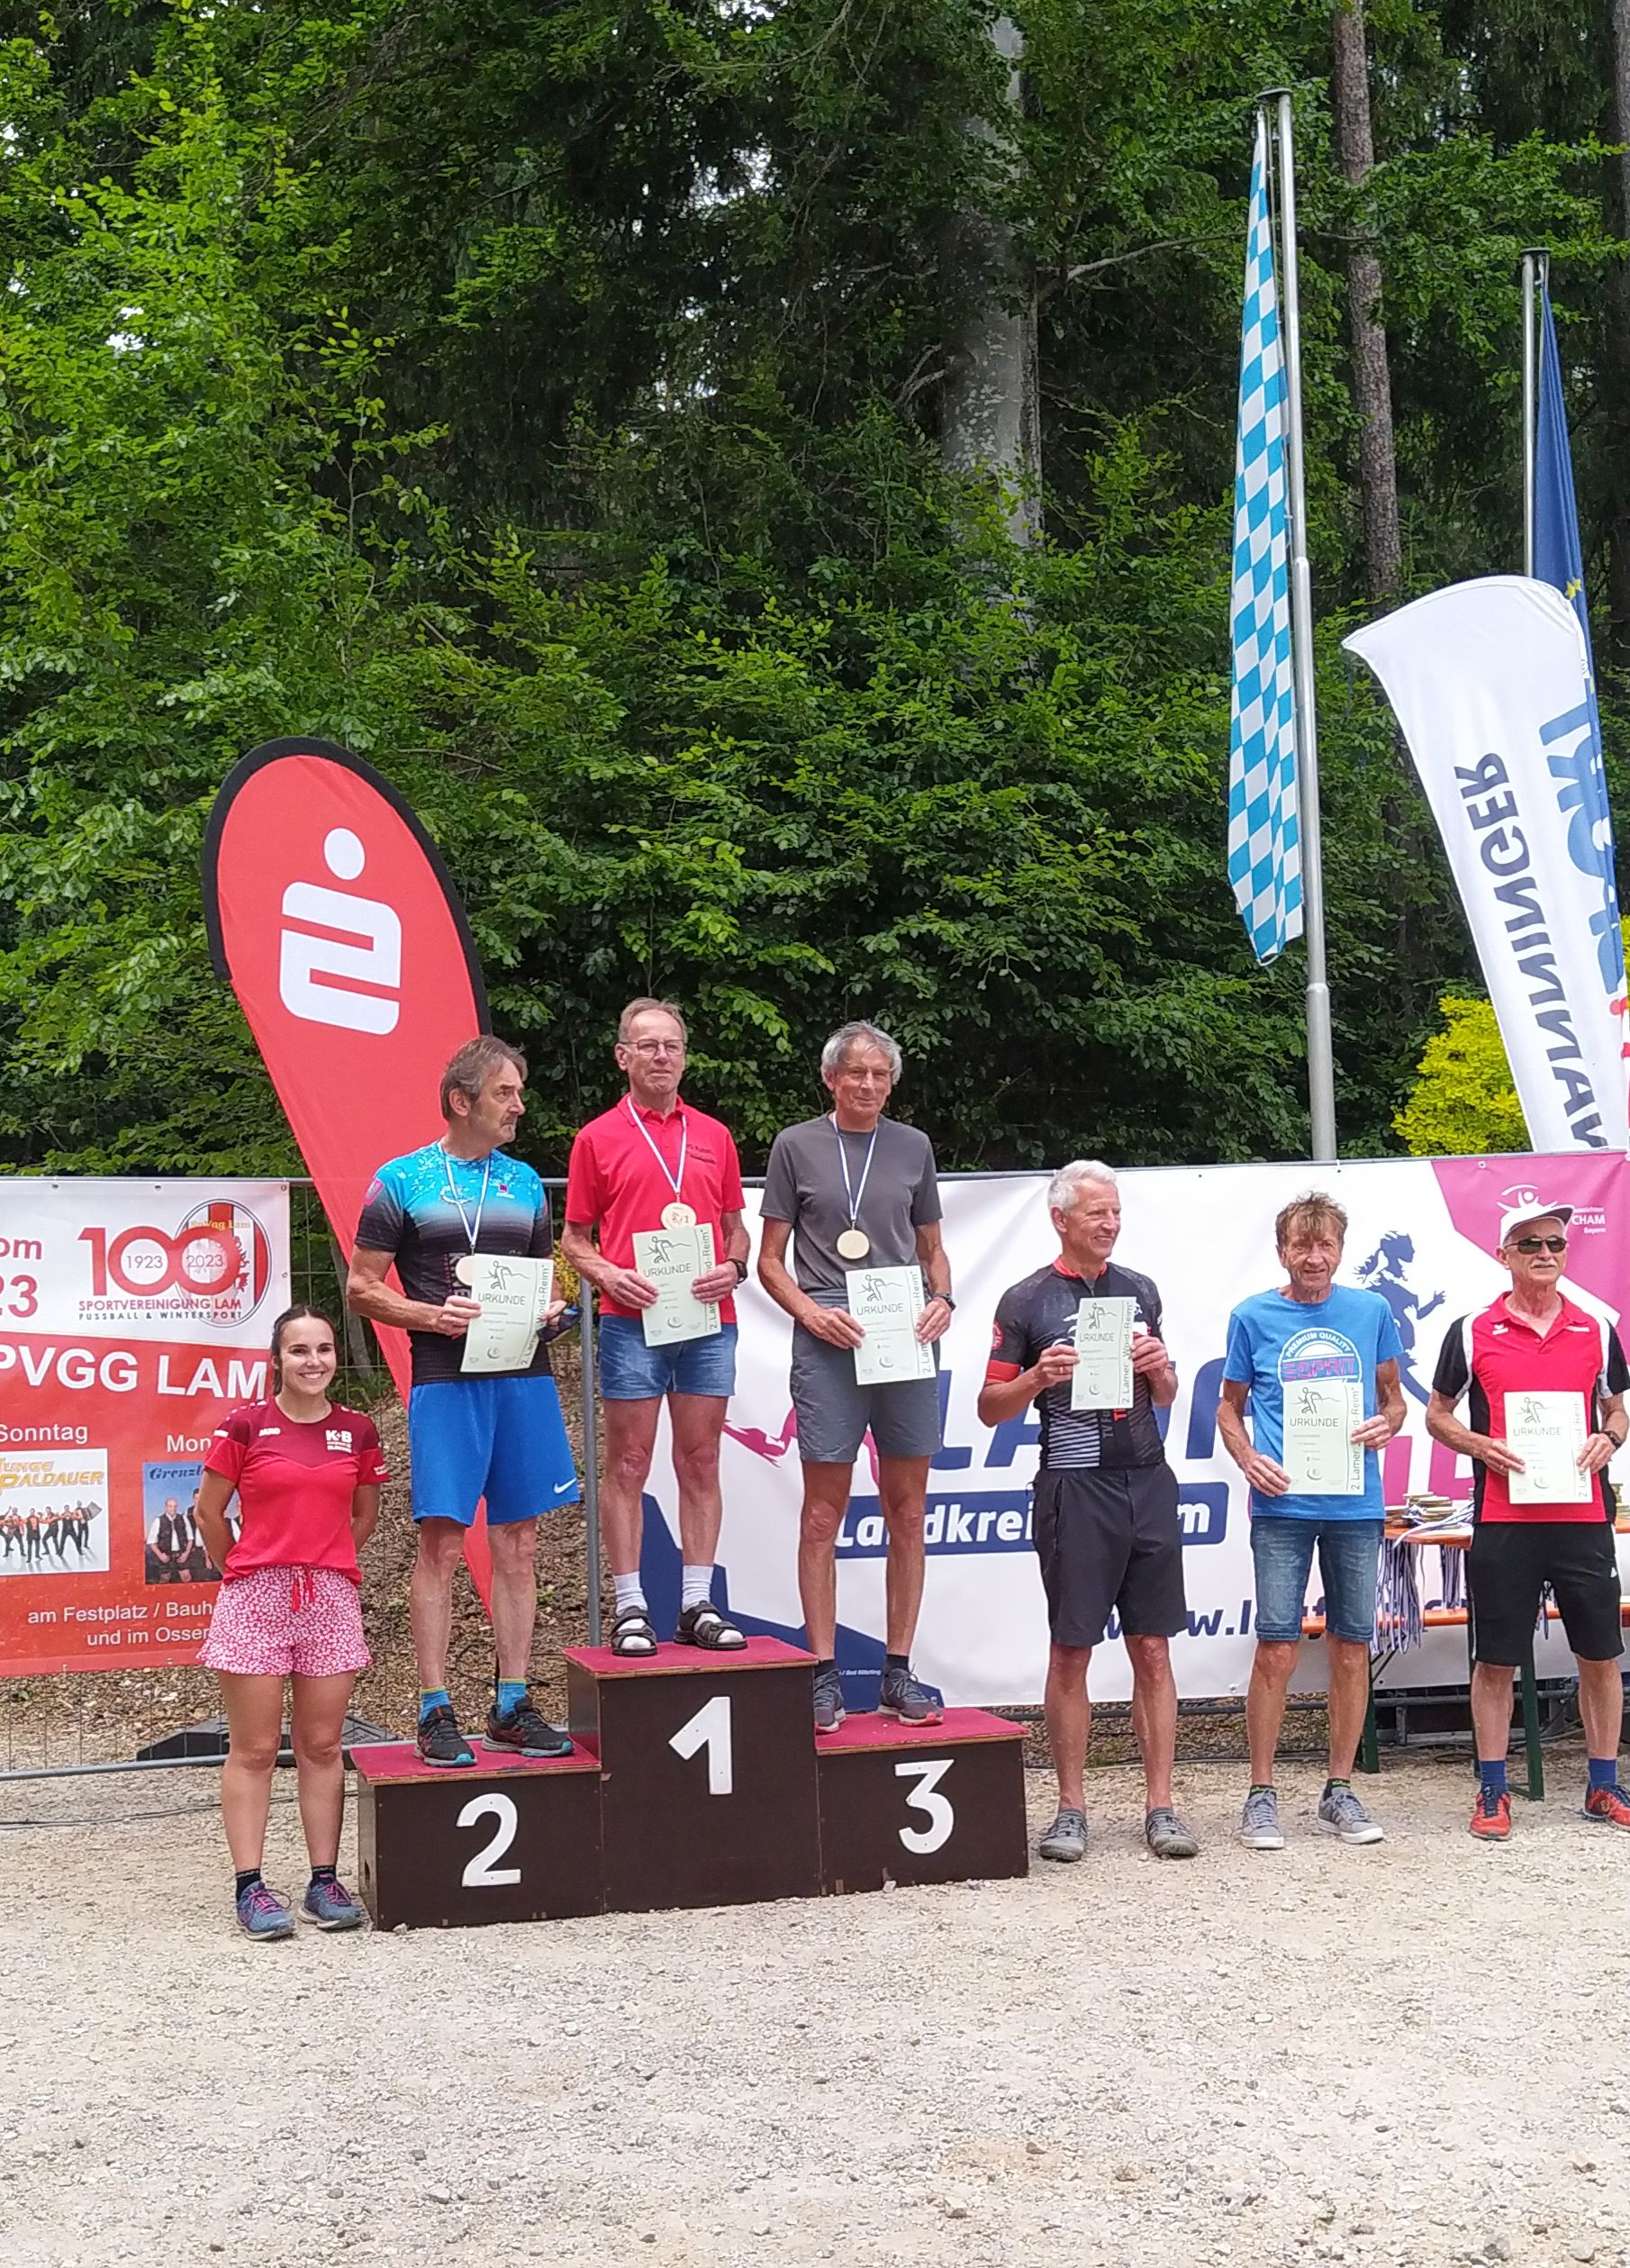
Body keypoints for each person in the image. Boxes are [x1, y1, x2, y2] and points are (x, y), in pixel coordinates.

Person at [347, 1035, 578, 1768]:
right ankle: (434, 1707)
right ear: (461, 1100)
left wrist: (557, 1313)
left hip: (523, 1376)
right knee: (443, 1544)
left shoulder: (525, 1183)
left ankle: (512, 1702)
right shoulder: (400, 1179)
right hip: (447, 1381)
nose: (519, 1106)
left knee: (520, 1542)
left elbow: (546, 1284)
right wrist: (428, 1315)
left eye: (519, 1093)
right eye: (505, 1093)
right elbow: (361, 1287)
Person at [978, 1160, 1196, 1861]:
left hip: (1147, 1477)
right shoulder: (1026, 1300)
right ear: (1060, 1219)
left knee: (1153, 1647)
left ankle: (1161, 1805)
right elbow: (989, 1408)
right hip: (1073, 1485)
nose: (1110, 1224)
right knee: (1071, 1649)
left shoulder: (1140, 1289)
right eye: (1097, 1213)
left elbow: (1167, 1395)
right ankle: (1070, 1808)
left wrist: (1160, 1368)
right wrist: (1037, 1378)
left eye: (1116, 1212)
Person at [758, 1020, 953, 1730]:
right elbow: (769, 1261)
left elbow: (933, 1251)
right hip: (829, 1339)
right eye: (856, 1073)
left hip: (903, 1338)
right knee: (822, 1513)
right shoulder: (795, 1145)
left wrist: (944, 1300)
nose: (868, 1085)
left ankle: (899, 1670)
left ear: (890, 1084)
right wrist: (812, 1315)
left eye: (880, 1075)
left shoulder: (913, 1146)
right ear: (831, 1078)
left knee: (909, 1511)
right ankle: (822, 1672)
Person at [1425, 1199, 1630, 1839]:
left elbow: (1617, 1410)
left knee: (1600, 1654)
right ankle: (1492, 1789)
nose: (1545, 1254)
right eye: (1530, 1244)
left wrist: (1610, 1438)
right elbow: (1437, 1415)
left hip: (1583, 1515)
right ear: (1503, 1256)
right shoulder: (1470, 1329)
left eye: (1555, 1244)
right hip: (1504, 1515)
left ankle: (1602, 1785)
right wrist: (1480, 1445)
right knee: (1496, 1659)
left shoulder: (1596, 1327)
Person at [561, 999, 752, 1656]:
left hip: (707, 1319)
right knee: (629, 1462)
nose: (661, 1056)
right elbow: (575, 1238)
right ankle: (631, 1606)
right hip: (631, 1318)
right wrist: (608, 1276)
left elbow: (735, 1228)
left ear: (685, 1057)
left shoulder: (714, 1135)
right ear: (623, 1057)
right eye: (647, 1046)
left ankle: (697, 1601)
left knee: (701, 1459)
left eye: (671, 1045)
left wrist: (734, 1266)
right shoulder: (596, 1138)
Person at [1218, 1191, 1405, 1850]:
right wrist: (1248, 1459)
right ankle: (1261, 1794)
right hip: (1283, 1506)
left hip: (1355, 1503)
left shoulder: (1371, 1311)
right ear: (1282, 1252)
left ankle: (1340, 1790)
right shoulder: (1252, 1316)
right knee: (1277, 1648)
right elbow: (1228, 1406)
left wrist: (1388, 1423)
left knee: (1352, 1647)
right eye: (1302, 1245)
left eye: (1326, 1245)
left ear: (1341, 1251)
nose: (1315, 1257)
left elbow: (1394, 1398)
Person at [194, 1305, 385, 1939]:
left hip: (329, 1597)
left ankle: (323, 1881)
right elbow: (208, 1512)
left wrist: (323, 1561)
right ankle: (250, 1887)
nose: (313, 1361)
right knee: (252, 1749)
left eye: (324, 1349)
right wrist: (245, 1569)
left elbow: (364, 1515)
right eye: (299, 1350)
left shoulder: (358, 1430)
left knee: (323, 1747)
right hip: (255, 1598)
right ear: (276, 1359)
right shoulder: (245, 1425)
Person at [146, 1495, 195, 1583]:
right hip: (165, 1556)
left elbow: (190, 1539)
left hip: (181, 1555)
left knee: (187, 1578)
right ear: (166, 1507)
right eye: (170, 1506)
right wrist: (160, 1555)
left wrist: (186, 1553)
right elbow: (151, 1542)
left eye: (175, 1506)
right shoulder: (158, 1521)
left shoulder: (183, 1519)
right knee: (164, 1580)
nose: (173, 1509)